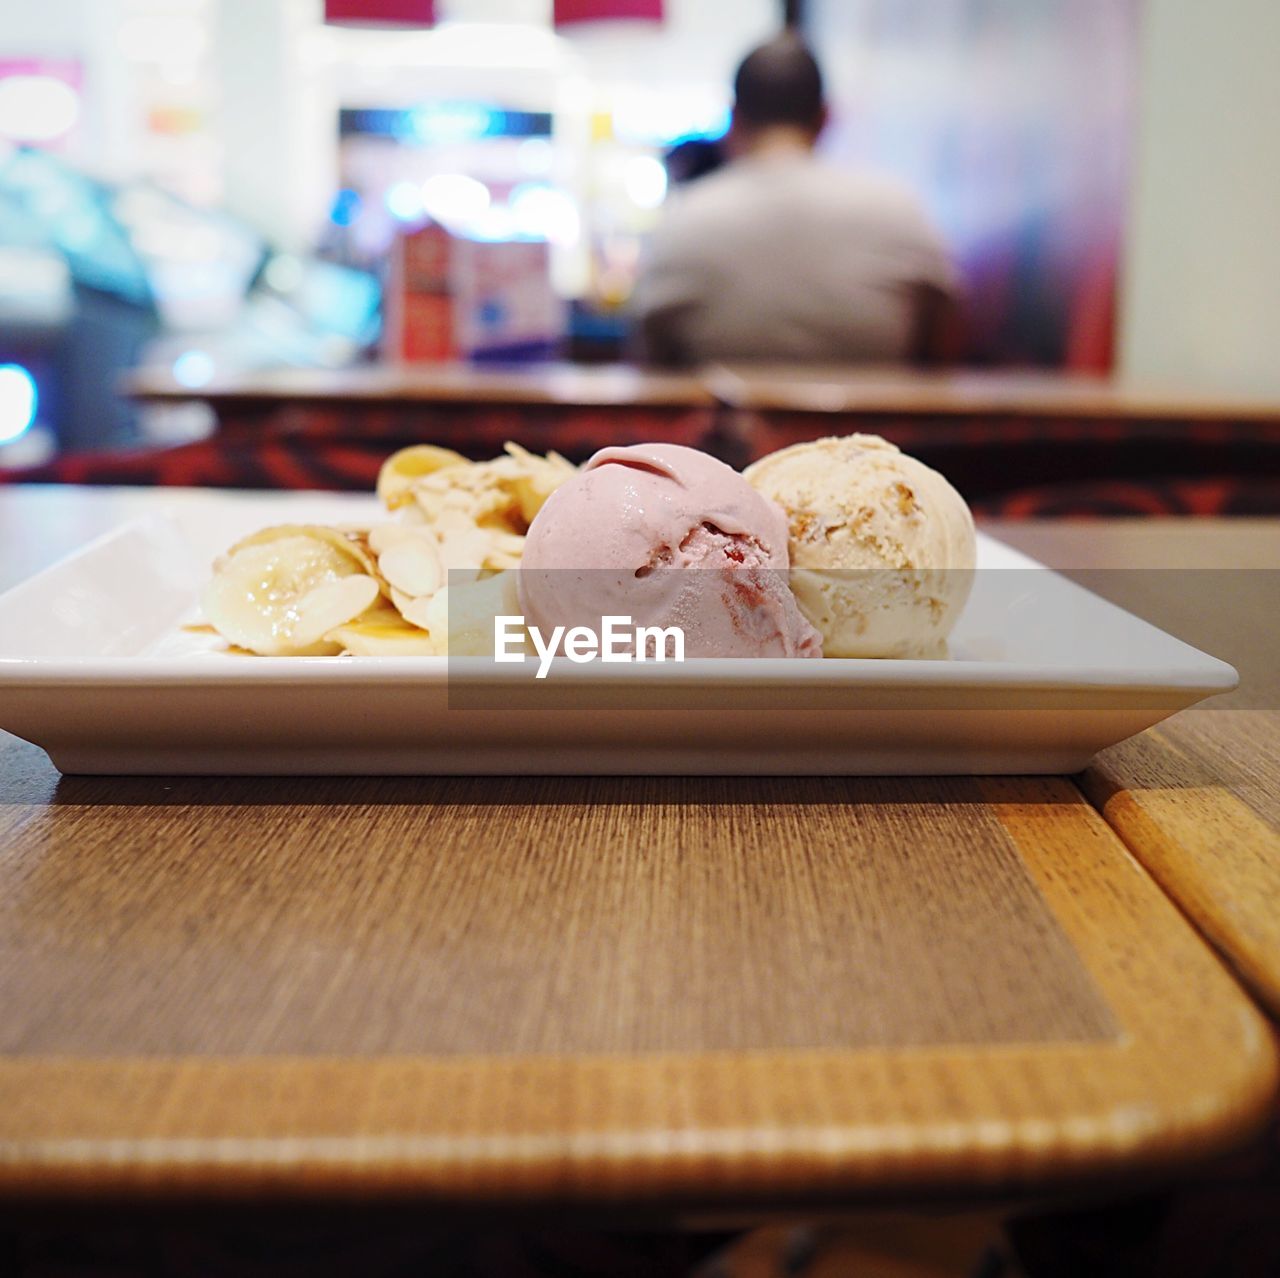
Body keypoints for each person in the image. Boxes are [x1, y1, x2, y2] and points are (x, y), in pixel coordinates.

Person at [630, 34, 957, 367]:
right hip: (872, 420)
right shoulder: (901, 212)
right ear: (826, 117)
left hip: (730, 419)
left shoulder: (683, 222)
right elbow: (943, 353)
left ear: (734, 118)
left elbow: (652, 365)